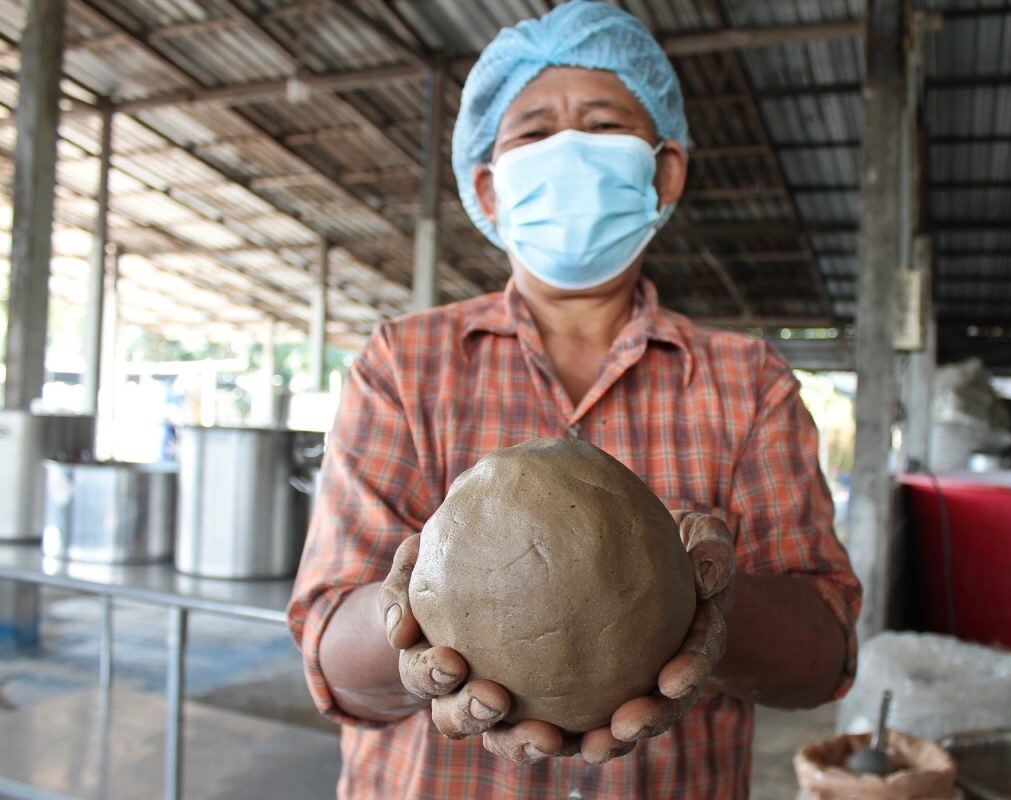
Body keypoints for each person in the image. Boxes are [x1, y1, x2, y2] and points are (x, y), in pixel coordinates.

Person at [287, 2, 862, 797]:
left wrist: (708, 605)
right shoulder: (402, 363)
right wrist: (412, 625)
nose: (568, 151)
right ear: (487, 187)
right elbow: (330, 661)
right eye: (532, 133)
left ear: (664, 171)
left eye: (601, 125)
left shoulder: (748, 379)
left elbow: (823, 656)